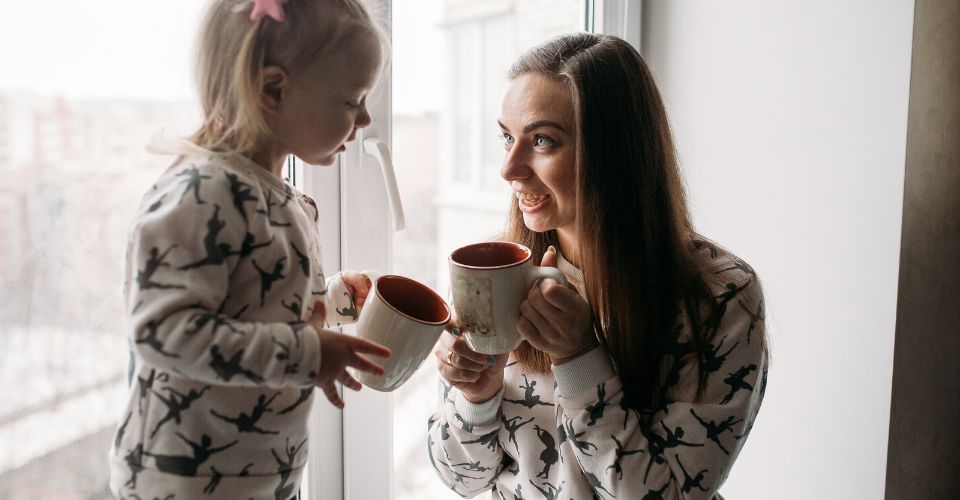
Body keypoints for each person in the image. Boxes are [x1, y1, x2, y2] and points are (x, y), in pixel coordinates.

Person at [429, 32, 769, 499]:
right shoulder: (492, 274)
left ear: (615, 152)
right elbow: (461, 478)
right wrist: (477, 397)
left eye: (543, 140)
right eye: (506, 137)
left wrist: (579, 360)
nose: (509, 169)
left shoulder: (721, 297)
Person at [109, 0, 391, 498]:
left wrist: (338, 298)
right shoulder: (204, 192)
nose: (365, 118)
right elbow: (163, 332)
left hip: (258, 472)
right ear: (273, 90)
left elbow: (260, 298)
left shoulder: (281, 198)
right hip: (188, 480)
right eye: (352, 100)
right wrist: (308, 354)